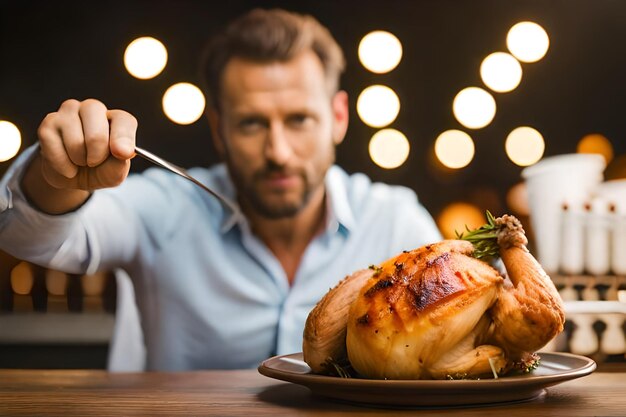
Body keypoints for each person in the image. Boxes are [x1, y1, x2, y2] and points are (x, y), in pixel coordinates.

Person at [0, 8, 441, 370]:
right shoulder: (166, 208)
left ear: (338, 117)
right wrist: (54, 174)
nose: (278, 152)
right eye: (251, 123)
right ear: (218, 128)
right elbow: (25, 235)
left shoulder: (395, 221)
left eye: (298, 120)